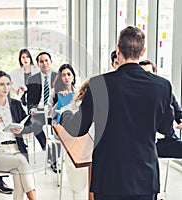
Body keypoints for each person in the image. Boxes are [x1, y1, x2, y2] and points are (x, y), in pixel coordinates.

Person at [61, 26, 175, 200]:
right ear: (143, 51)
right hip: (144, 177)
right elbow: (165, 128)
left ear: (118, 49)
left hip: (108, 178)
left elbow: (78, 128)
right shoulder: (162, 86)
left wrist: (65, 115)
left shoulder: (99, 84)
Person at [0, 71, 39, 200]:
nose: (6, 88)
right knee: (22, 162)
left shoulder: (16, 105)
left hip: (16, 149)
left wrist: (23, 129)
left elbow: (31, 125)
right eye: (2, 84)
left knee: (19, 173)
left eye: (8, 84)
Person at [139, 59, 182, 158]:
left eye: (149, 73)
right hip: (144, 143)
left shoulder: (164, 91)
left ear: (155, 74)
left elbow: (178, 113)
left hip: (166, 141)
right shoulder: (135, 95)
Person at [47, 63, 76, 173]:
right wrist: (60, 101)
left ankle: (75, 161)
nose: (66, 77)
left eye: (69, 74)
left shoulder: (78, 91)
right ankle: (55, 161)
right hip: (58, 125)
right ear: (60, 77)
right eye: (63, 75)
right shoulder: (54, 92)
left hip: (74, 123)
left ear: (73, 76)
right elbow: (50, 114)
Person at [26, 51, 57, 150]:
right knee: (34, 125)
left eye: (46, 60)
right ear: (38, 64)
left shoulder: (58, 77)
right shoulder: (32, 79)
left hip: (53, 111)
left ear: (51, 61)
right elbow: (30, 100)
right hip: (39, 111)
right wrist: (31, 109)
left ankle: (55, 153)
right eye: (41, 61)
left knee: (58, 127)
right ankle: (47, 148)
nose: (44, 63)